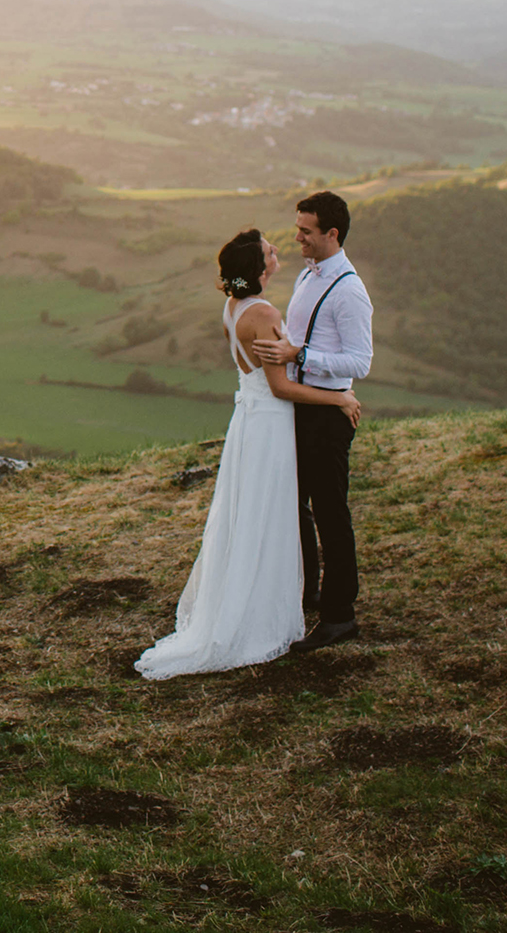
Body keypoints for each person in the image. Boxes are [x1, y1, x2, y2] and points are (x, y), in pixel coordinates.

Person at [135, 229, 362, 680]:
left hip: (249, 421)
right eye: (270, 252)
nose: (279, 251)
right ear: (259, 271)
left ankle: (275, 588)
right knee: (273, 511)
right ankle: (267, 605)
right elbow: (281, 385)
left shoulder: (232, 307)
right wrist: (340, 398)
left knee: (257, 511)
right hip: (273, 421)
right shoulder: (263, 313)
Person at [252, 190, 374, 653]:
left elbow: (359, 362)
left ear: (332, 234)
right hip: (303, 406)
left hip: (326, 414)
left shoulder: (349, 291)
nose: (297, 237)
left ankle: (340, 615)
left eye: (306, 230)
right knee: (294, 504)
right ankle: (309, 593)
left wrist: (299, 354)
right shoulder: (308, 276)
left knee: (330, 512)